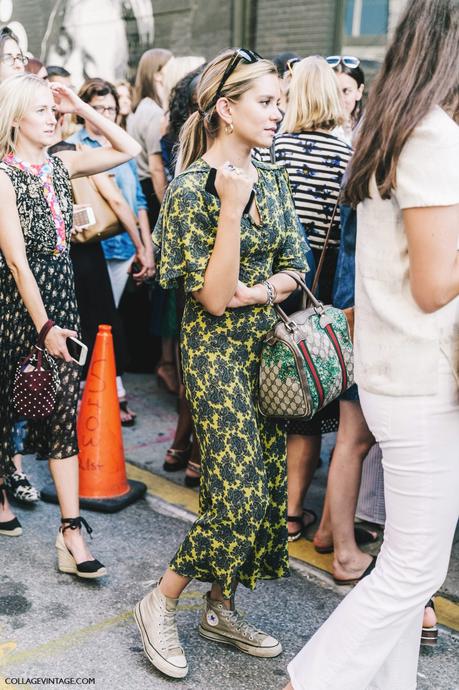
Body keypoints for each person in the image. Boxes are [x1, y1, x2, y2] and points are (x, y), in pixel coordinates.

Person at [284, 1, 459, 688]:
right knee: (415, 570)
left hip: (393, 372)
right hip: (420, 376)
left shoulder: (393, 127)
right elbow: (434, 283)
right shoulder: (434, 135)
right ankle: (309, 679)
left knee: (403, 570)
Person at [134, 48, 309, 679]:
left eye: (280, 102)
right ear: (227, 108)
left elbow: (298, 265)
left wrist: (259, 291)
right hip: (216, 359)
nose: (278, 113)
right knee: (235, 497)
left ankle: (220, 608)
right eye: (266, 102)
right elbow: (210, 298)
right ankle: (160, 601)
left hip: (268, 355)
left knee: (261, 492)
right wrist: (232, 211)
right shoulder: (189, 193)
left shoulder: (274, 173)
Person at [0, 73, 141, 579]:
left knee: (60, 412)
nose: (52, 116)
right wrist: (45, 329)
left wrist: (80, 104)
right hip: (18, 309)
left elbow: (128, 147)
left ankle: (71, 530)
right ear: (15, 117)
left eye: (53, 109)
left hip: (63, 302)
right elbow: (17, 263)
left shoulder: (63, 163)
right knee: (7, 403)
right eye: (41, 110)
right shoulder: (3, 176)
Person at [268, 56, 352, 541]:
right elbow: (343, 231)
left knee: (268, 391)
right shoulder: (345, 153)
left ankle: (261, 499)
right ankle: (293, 512)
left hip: (270, 285)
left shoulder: (274, 149)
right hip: (316, 289)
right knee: (308, 399)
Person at [67, 78, 154, 425]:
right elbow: (112, 200)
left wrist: (145, 248)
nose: (104, 114)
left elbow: (136, 201)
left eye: (110, 109)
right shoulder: (73, 147)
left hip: (123, 248)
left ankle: (104, 394)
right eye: (97, 108)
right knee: (99, 325)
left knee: (106, 324)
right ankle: (104, 398)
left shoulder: (122, 144)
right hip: (91, 249)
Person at [0, 25, 39, 504]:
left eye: (20, 55)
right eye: (8, 55)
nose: (16, 62)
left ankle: (13, 466)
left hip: (22, 264)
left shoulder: (24, 114)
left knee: (20, 371)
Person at [128, 48, 178, 393]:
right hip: (153, 193)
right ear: (158, 74)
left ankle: (161, 361)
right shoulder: (153, 113)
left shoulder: (142, 109)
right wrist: (167, 208)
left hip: (147, 189)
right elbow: (157, 168)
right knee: (163, 279)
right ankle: (164, 363)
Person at [326, 55, 364, 145]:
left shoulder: (370, 129)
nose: (340, 100)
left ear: (359, 91)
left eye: (346, 91)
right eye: (333, 91)